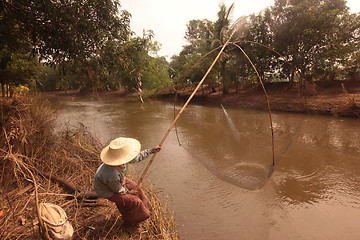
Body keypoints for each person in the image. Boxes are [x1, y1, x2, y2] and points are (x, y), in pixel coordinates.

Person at [93, 137, 161, 234]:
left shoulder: (121, 160)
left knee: (139, 191)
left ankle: (140, 212)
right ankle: (129, 224)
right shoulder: (111, 173)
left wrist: (151, 151)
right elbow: (116, 190)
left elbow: (137, 157)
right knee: (134, 201)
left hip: (119, 181)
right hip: (108, 190)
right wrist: (129, 192)